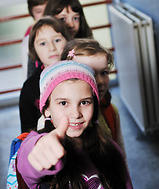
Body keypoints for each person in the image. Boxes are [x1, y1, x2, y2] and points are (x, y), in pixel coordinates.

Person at [17, 60, 133, 188]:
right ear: (47, 110)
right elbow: (27, 160)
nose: (75, 114)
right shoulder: (34, 143)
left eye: (84, 102)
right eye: (63, 103)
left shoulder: (111, 148)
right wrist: (41, 149)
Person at [61, 38, 127, 160]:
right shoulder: (57, 118)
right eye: (90, 73)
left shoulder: (111, 111)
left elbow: (120, 152)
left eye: (104, 73)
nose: (100, 81)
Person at [19, 16, 70, 133]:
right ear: (33, 49)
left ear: (68, 41)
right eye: (42, 43)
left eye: (57, 40)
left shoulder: (80, 76)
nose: (52, 48)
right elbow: (27, 133)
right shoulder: (29, 88)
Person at [22, 0, 55, 79]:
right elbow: (27, 72)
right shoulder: (29, 37)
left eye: (48, 9)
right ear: (31, 13)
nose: (44, 15)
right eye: (38, 11)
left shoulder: (62, 30)